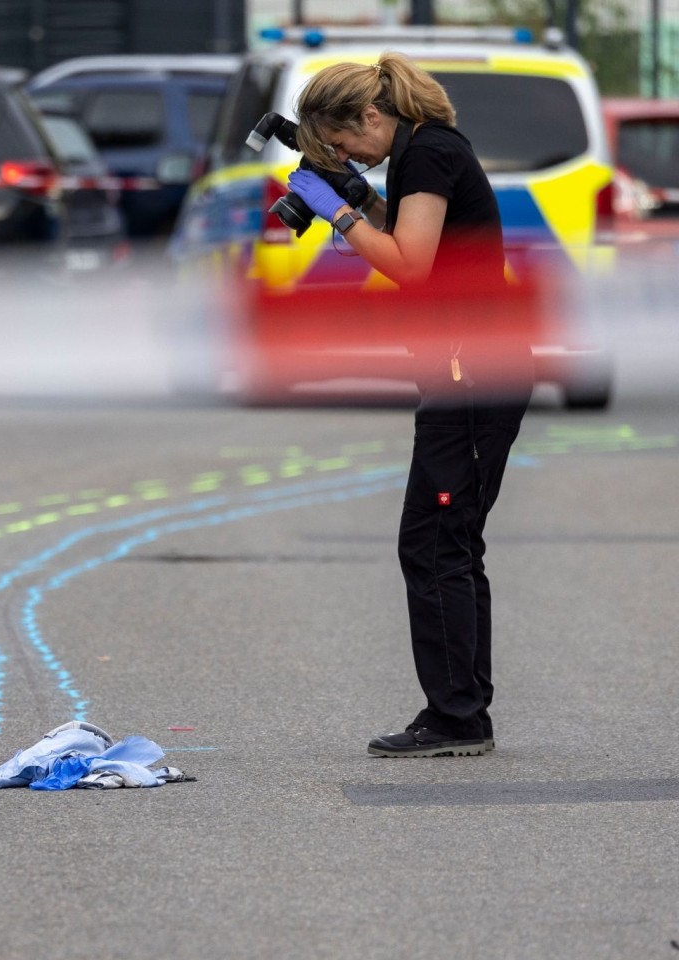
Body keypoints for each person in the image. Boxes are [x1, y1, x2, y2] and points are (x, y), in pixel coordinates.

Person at [283, 51, 533, 758]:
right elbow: (416, 237)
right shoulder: (428, 149)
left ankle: (458, 719)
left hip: (473, 372)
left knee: (435, 541)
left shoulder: (426, 152)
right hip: (473, 366)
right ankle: (458, 711)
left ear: (371, 115)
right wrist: (358, 203)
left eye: (341, 144)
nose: (344, 155)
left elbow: (410, 266)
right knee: (448, 541)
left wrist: (338, 214)